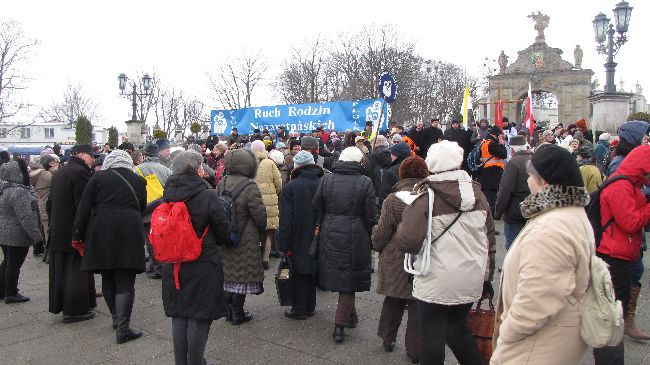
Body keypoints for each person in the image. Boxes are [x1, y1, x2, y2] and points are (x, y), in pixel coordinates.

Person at [393, 140, 496, 365]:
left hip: (435, 278)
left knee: (432, 337)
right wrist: (487, 277)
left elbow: (408, 242)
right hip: (471, 276)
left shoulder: (424, 197)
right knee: (456, 330)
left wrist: (403, 224)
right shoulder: (477, 194)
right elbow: (489, 240)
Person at [492, 144, 594, 364]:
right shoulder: (567, 213)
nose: (528, 181)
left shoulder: (550, 229)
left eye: (530, 176)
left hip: (537, 345)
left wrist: (507, 335)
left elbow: (536, 300)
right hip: (552, 335)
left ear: (544, 183)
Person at [155, 151, 230, 365]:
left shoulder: (167, 193)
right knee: (199, 314)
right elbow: (223, 232)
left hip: (173, 263)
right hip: (202, 263)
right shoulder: (208, 196)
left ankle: (181, 361)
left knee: (179, 314)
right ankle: (196, 361)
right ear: (198, 170)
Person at [71, 150, 146, 344]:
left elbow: (84, 208)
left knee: (107, 275)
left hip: (101, 231)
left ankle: (115, 318)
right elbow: (142, 207)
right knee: (125, 280)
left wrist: (77, 235)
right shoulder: (138, 180)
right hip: (129, 230)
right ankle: (123, 327)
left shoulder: (97, 178)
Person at [313, 147, 378, 343]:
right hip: (356, 234)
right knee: (349, 281)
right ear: (359, 162)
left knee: (345, 277)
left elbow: (317, 205)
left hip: (330, 231)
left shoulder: (327, 179)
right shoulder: (365, 182)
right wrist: (371, 235)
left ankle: (350, 315)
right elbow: (370, 215)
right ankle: (339, 326)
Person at [594, 145, 650, 362]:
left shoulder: (628, 183)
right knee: (612, 317)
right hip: (612, 256)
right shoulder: (621, 186)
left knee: (615, 313)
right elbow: (630, 222)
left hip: (619, 254)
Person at [371, 156, 428, 364]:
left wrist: (376, 244)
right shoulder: (429, 197)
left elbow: (383, 231)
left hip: (395, 256)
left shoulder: (393, 199)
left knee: (393, 299)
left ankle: (387, 339)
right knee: (416, 305)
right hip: (421, 255)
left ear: (402, 174)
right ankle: (415, 350)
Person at [48, 144, 97, 323]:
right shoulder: (80, 172)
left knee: (63, 271)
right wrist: (84, 230)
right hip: (73, 230)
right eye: (91, 156)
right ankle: (75, 309)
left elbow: (50, 201)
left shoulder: (62, 171)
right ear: (83, 155)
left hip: (59, 228)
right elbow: (83, 205)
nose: (93, 160)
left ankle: (69, 304)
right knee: (75, 272)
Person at [217, 149, 267, 325]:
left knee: (229, 274)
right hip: (246, 238)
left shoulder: (222, 183)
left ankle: (228, 310)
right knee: (242, 276)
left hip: (225, 236)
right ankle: (238, 312)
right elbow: (259, 216)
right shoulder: (249, 185)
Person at [278, 151, 324, 320]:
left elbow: (286, 219)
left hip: (296, 235)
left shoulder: (291, 186)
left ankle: (299, 309)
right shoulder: (322, 182)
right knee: (311, 270)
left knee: (297, 272)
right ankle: (310, 306)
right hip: (317, 234)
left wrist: (282, 243)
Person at [0, 160, 44, 303]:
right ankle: (11, 292)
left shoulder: (6, 189)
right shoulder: (19, 192)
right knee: (14, 263)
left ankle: (3, 289)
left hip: (5, 232)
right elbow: (25, 217)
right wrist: (37, 237)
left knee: (8, 261)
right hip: (16, 234)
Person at [138, 143, 173, 279]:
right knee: (162, 238)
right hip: (162, 208)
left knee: (150, 240)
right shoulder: (165, 169)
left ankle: (155, 266)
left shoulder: (137, 169)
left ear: (145, 154)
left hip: (146, 209)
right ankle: (161, 265)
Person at [494, 135, 531, 250]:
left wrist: (498, 211)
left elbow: (505, 189)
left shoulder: (513, 163)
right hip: (533, 208)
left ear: (512, 149)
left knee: (513, 247)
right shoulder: (534, 159)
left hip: (515, 211)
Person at [251, 140, 282, 270]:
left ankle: (253, 259)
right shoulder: (270, 163)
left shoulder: (249, 163)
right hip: (269, 201)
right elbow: (279, 183)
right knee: (268, 231)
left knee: (252, 230)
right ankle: (265, 259)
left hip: (252, 199)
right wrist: (274, 193)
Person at [29, 153, 60, 260]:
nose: (55, 164)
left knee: (44, 228)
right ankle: (49, 254)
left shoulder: (36, 173)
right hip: (46, 205)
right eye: (53, 162)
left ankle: (46, 252)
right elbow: (58, 179)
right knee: (48, 230)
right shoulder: (46, 174)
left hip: (41, 203)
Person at [478, 126, 507, 215]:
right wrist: (502, 144)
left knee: (487, 194)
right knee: (492, 195)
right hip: (494, 172)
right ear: (496, 135)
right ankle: (492, 213)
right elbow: (503, 154)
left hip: (486, 171)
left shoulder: (484, 142)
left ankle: (486, 212)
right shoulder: (492, 144)